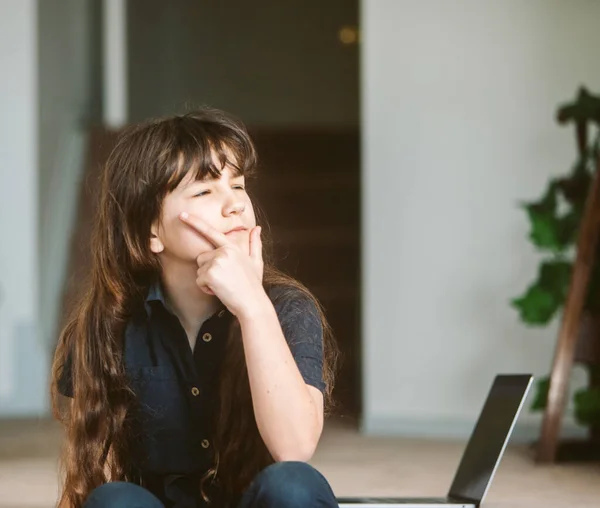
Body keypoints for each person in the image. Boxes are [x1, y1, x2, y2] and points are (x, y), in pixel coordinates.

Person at [50, 109, 340, 508]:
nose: (234, 204)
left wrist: (252, 306)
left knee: (294, 484)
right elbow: (89, 471)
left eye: (237, 185)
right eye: (204, 192)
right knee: (112, 499)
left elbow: (295, 448)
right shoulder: (106, 325)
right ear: (151, 231)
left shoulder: (287, 308)